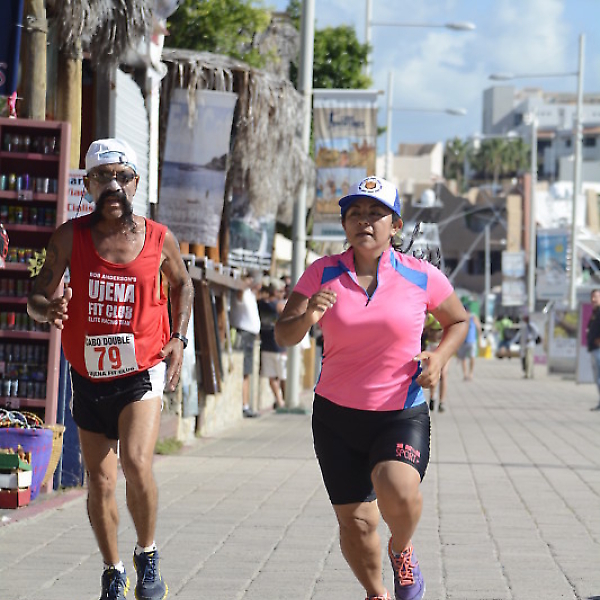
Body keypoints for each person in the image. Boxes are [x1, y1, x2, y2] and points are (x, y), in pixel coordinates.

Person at [274, 176, 468, 600]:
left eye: (375, 213)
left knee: (395, 485)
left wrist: (439, 358)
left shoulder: (421, 275)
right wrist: (307, 316)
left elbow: (458, 320)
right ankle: (376, 593)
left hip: (399, 413)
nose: (364, 221)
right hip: (336, 417)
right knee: (357, 524)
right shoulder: (322, 272)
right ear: (344, 223)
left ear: (395, 225)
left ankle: (402, 549)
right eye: (355, 213)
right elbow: (284, 334)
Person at [27, 138, 194, 600]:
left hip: (142, 368)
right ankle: (113, 570)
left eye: (122, 176)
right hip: (88, 375)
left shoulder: (159, 238)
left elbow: (183, 285)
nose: (112, 185)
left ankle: (147, 552)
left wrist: (179, 339)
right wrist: (48, 310)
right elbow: (36, 296)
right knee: (99, 480)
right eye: (102, 177)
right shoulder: (70, 237)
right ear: (88, 184)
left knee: (136, 463)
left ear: (135, 183)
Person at [230, 269, 262, 417]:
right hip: (243, 333)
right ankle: (244, 405)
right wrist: (246, 282)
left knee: (247, 371)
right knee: (243, 370)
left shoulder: (250, 294)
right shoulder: (242, 292)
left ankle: (246, 404)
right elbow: (239, 293)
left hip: (250, 335)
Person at [258, 280, 287, 409]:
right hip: (279, 345)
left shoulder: (260, 304)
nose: (283, 293)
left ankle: (279, 401)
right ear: (275, 292)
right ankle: (285, 400)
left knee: (272, 376)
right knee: (283, 376)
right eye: (281, 291)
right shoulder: (279, 306)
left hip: (265, 344)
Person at [422, 313, 449, 412]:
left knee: (443, 374)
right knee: (433, 371)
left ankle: (442, 402)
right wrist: (432, 324)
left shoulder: (446, 315)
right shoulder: (430, 316)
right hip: (430, 345)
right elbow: (423, 329)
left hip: (443, 346)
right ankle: (433, 397)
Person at [457, 304, 481, 381]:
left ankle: (471, 373)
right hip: (463, 341)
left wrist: (479, 339)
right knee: (463, 358)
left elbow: (479, 328)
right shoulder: (461, 318)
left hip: (472, 341)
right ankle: (465, 374)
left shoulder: (473, 317)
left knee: (472, 357)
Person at [586, 288, 600, 410]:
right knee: (597, 378)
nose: (593, 299)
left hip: (598, 349)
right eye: (592, 297)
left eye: (596, 297)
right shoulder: (595, 313)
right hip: (594, 349)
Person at [519, 313, 541, 379]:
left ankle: (528, 374)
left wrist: (531, 338)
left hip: (530, 345)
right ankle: (529, 373)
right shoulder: (525, 325)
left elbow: (536, 332)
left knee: (529, 360)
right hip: (526, 345)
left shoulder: (531, 325)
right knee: (527, 360)